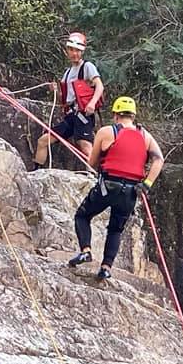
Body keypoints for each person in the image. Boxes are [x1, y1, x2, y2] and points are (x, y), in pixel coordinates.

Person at [70, 96, 164, 282]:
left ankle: (86, 251)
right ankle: (105, 268)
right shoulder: (145, 136)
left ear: (115, 115)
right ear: (133, 115)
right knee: (115, 229)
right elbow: (159, 159)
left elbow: (92, 162)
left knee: (82, 215)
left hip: (108, 187)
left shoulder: (106, 132)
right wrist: (147, 184)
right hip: (131, 191)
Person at [36, 31, 103, 168]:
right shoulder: (67, 73)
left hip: (83, 114)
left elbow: (99, 86)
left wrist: (91, 103)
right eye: (72, 50)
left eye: (78, 51)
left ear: (82, 52)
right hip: (70, 115)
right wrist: (54, 90)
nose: (74, 54)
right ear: (67, 51)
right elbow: (65, 98)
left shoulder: (87, 67)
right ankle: (35, 172)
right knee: (43, 141)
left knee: (85, 146)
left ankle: (93, 177)